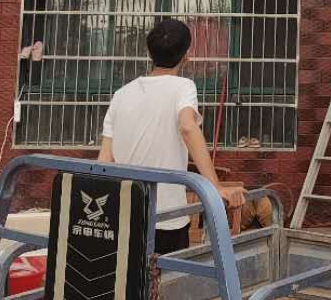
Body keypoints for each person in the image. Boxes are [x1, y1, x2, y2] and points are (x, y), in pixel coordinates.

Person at [97, 18, 246, 254]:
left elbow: (104, 161)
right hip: (166, 218)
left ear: (149, 53)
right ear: (186, 56)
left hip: (124, 215)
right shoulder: (183, 87)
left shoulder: (121, 94)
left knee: (127, 276)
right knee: (167, 276)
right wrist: (215, 186)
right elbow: (187, 126)